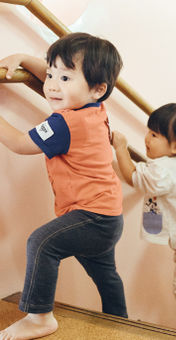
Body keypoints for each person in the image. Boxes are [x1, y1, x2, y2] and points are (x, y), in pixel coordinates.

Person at [0, 32, 126, 340]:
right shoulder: (94, 108)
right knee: (106, 275)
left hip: (92, 217)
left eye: (65, 77)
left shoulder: (63, 124)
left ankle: (39, 317)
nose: (52, 85)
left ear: (98, 88)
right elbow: (58, 81)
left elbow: (18, 143)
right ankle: (121, 322)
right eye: (51, 72)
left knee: (41, 243)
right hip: (109, 214)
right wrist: (24, 59)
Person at [112, 103, 176, 336]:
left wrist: (121, 148)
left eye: (155, 135)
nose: (147, 139)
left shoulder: (163, 170)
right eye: (149, 132)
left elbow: (132, 177)